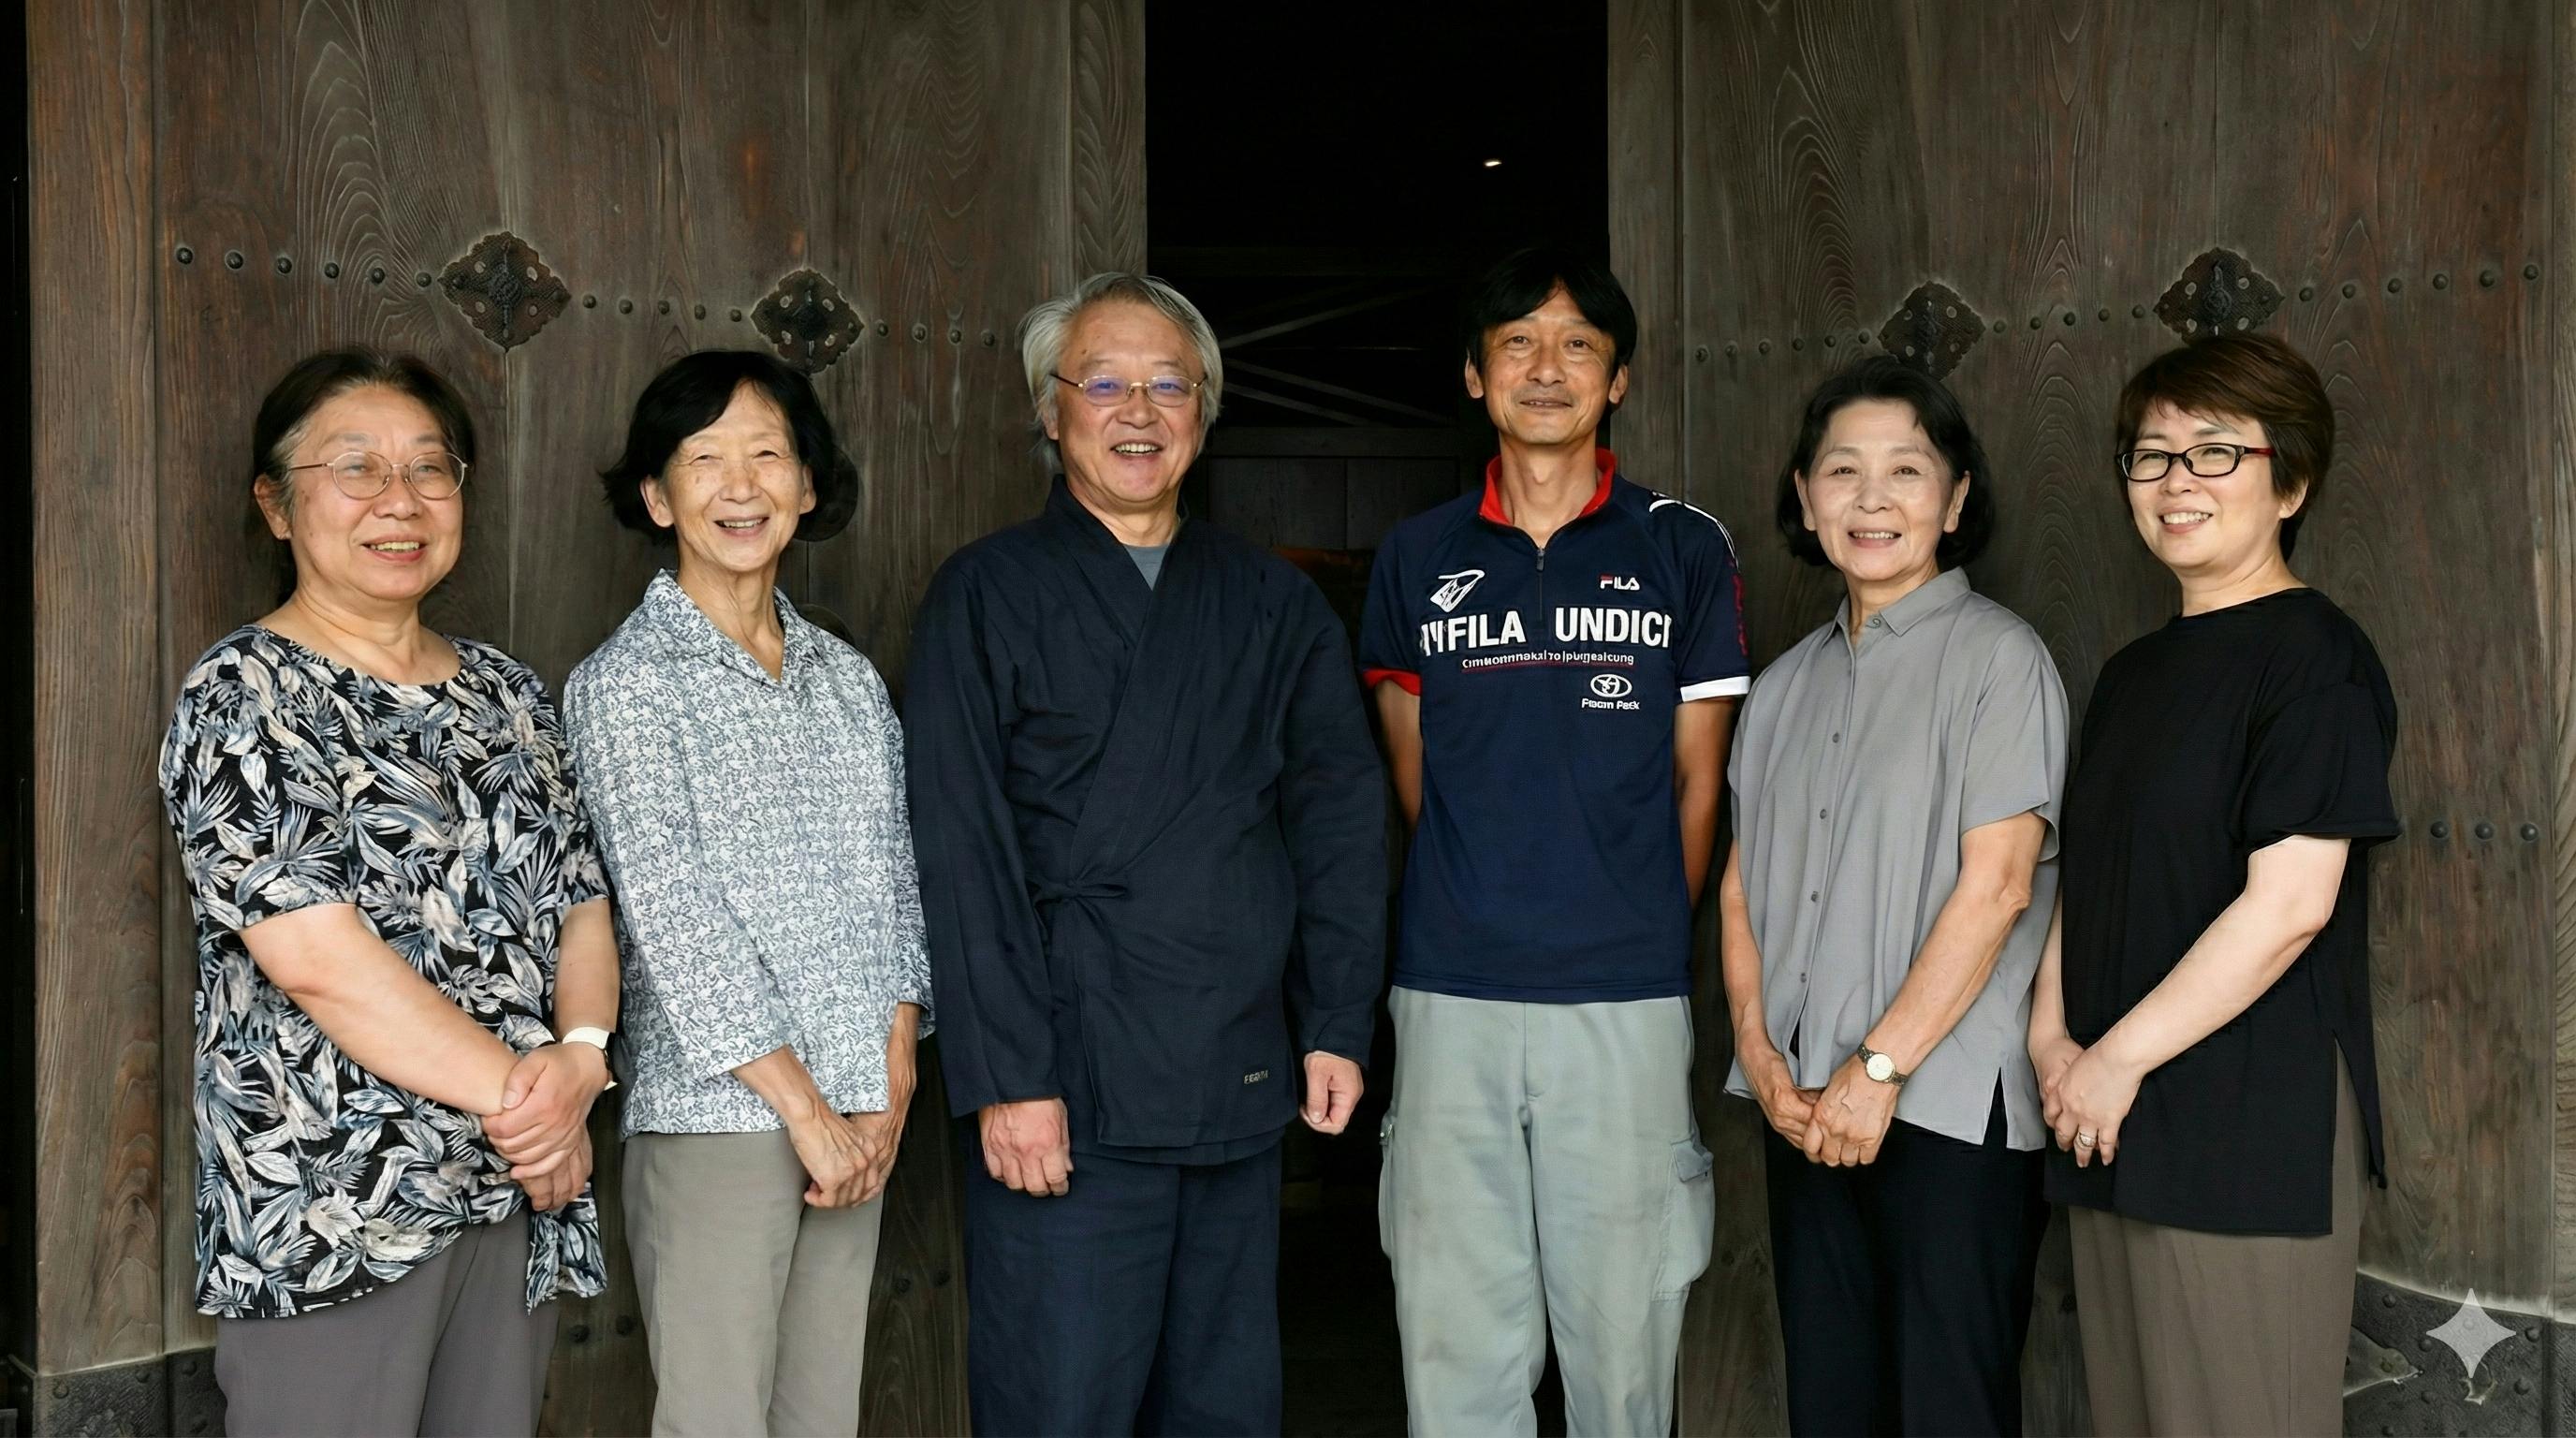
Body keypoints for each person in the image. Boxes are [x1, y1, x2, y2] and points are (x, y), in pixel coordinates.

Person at [903, 272, 1386, 1436]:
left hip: (1233, 1062)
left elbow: (1339, 816)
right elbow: (960, 847)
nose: (1139, 411)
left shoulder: (1271, 604)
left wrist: (1334, 1019)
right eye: (1105, 383)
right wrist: (1008, 1079)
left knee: (1223, 1401)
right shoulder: (984, 592)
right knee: (1061, 1401)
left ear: (1204, 415)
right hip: (1065, 1076)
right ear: (1050, 410)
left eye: (1170, 386)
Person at [158, 348, 615, 1436]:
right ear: (277, 506)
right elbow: (317, 957)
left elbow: (582, 906)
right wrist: (539, 1110)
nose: (399, 500)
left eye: (429, 468)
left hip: (510, 1186)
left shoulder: (509, 693)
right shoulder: (244, 692)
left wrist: (585, 1056)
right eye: (356, 468)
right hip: (338, 1205)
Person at [1356, 245, 1746, 1437]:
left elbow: (1698, 783)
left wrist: (1629, 924)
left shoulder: (1682, 547)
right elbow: (1418, 776)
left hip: (1622, 995)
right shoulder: (1416, 556)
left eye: (1578, 344)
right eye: (1516, 343)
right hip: (1450, 988)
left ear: (1617, 379)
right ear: (1474, 375)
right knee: (1454, 1332)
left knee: (1622, 1337)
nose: (1546, 367)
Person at [2030, 331, 2397, 1435]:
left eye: (2215, 451)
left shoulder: (2313, 656)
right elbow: (2087, 877)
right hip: (2105, 1109)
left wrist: (2110, 1063)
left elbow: (2289, 907)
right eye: (2151, 456)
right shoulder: (2130, 674)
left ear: (2291, 481)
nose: (2176, 480)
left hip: (2243, 1117)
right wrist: (2051, 1043)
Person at [563, 351, 930, 1437]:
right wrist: (805, 1112)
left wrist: (893, 1076)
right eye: (703, 459)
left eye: (768, 454)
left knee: (822, 1419)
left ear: (806, 485)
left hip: (858, 1111)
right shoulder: (626, 683)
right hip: (720, 1116)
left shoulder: (845, 679)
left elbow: (895, 878)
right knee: (718, 1420)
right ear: (655, 496)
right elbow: (670, 918)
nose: (740, 485)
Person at [1720, 357, 2063, 1435]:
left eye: (1906, 471)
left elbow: (1998, 888)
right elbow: (1739, 891)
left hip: (1945, 1115)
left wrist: (1876, 1072)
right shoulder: (1780, 688)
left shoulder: (1999, 661)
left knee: (1946, 1410)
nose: (1871, 499)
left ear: (1954, 502)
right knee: (1830, 1405)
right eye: (1842, 471)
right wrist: (1759, 1056)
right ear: (1804, 495)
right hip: (1804, 1110)